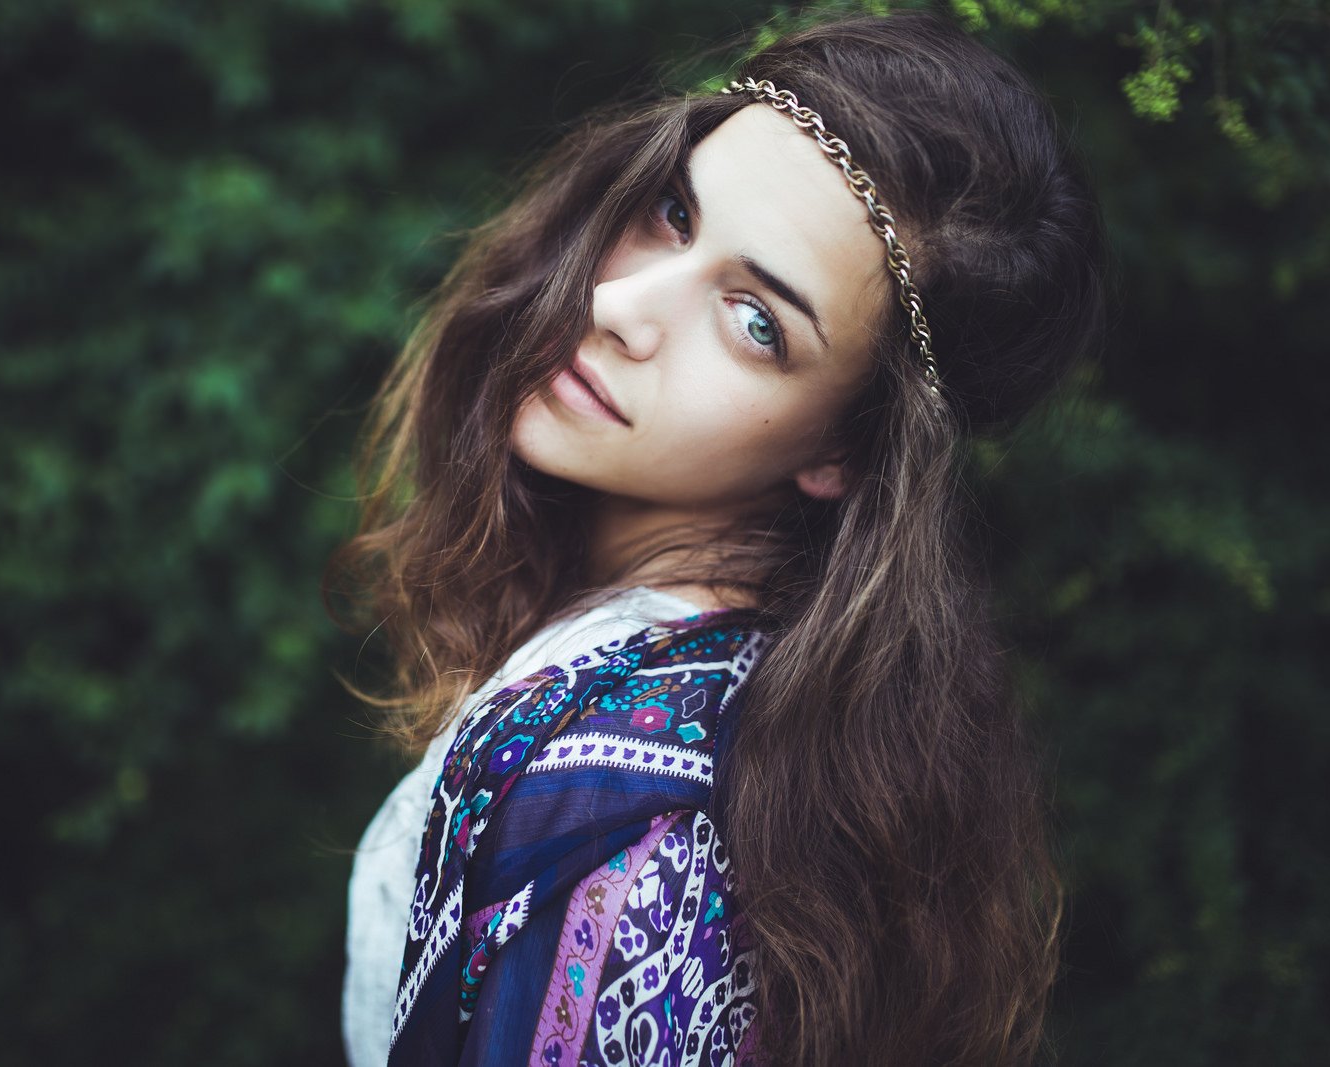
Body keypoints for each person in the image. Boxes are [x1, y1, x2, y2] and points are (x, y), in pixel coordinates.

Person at [334, 10, 1105, 1066]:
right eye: (670, 212)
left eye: (756, 323)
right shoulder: (741, 725)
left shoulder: (615, 814)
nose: (618, 303)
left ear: (843, 449)